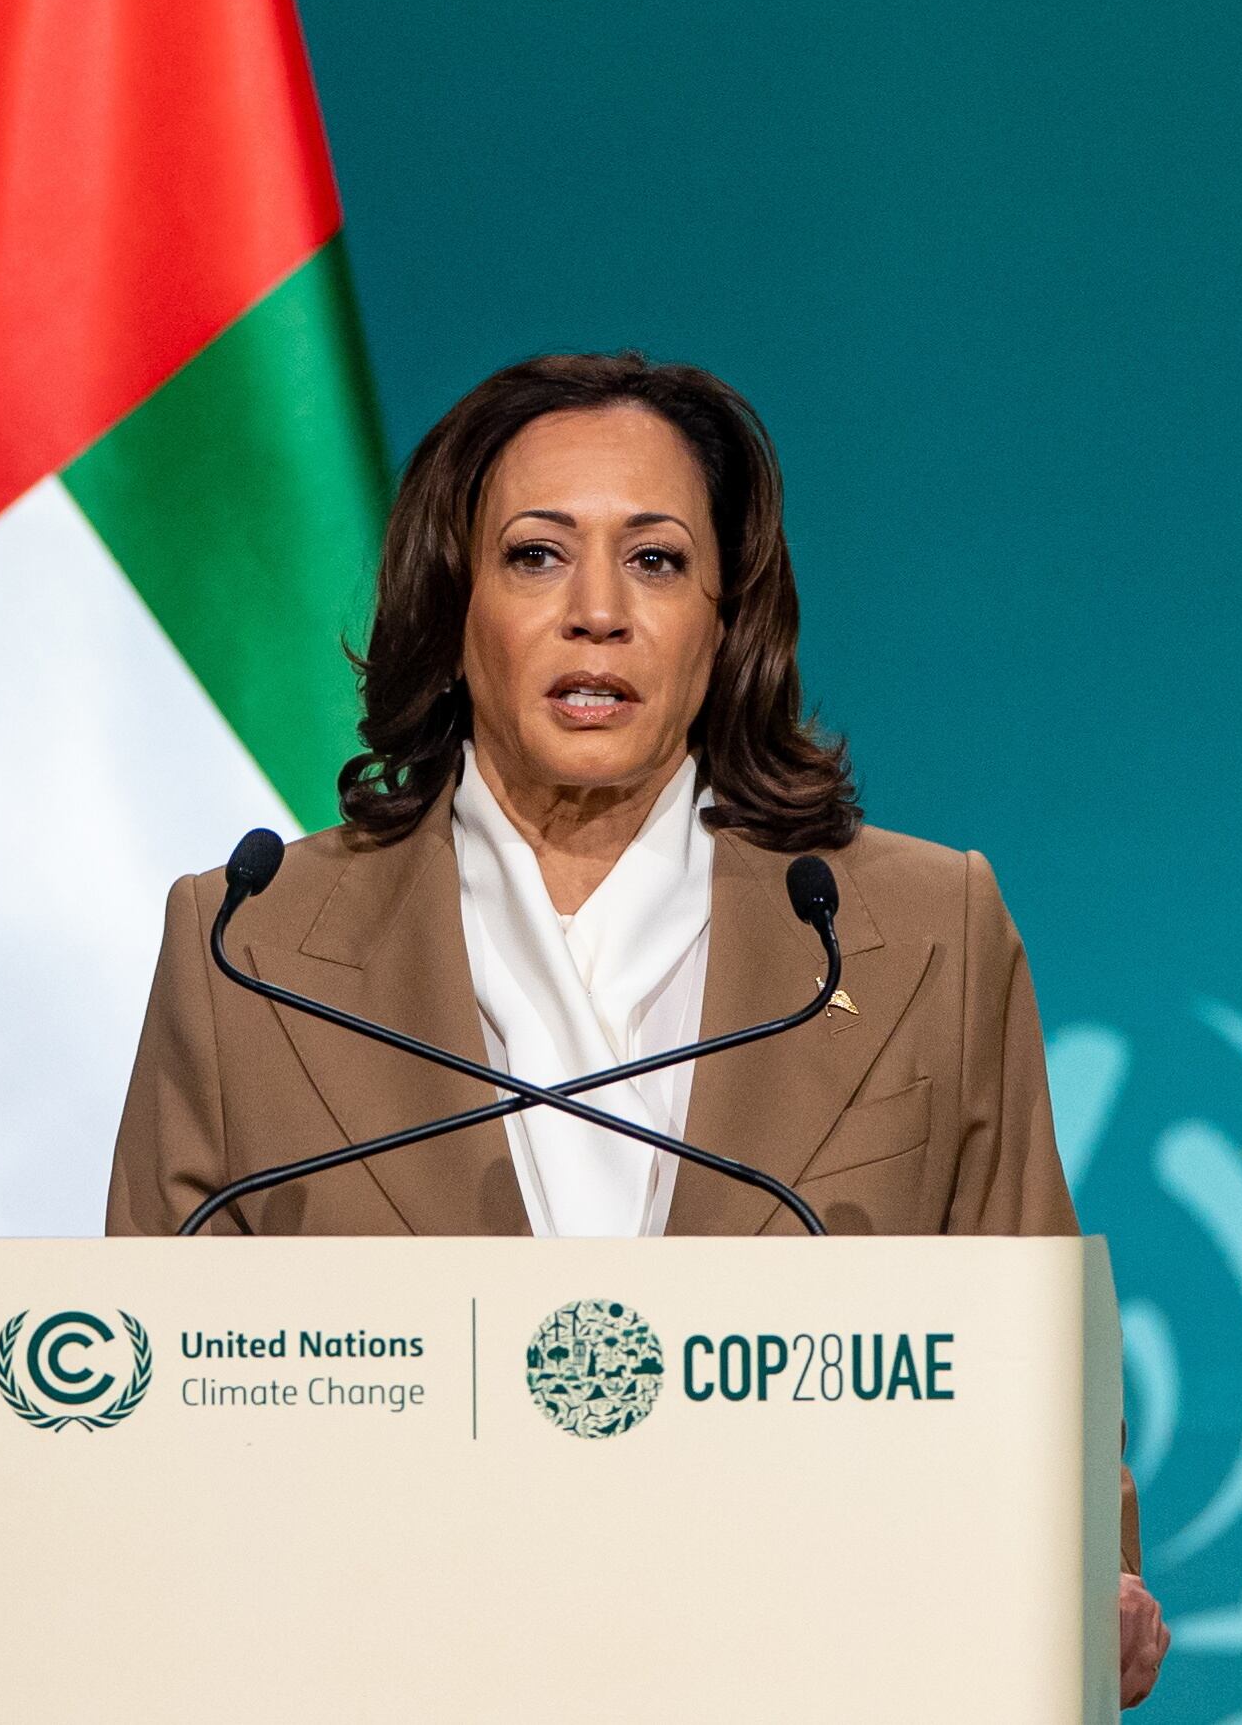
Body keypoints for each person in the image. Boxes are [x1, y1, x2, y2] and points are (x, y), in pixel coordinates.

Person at [104, 351, 1169, 1708]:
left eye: (657, 561)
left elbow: (1033, 1350)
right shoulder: (251, 944)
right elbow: (138, 1396)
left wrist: (1087, 1581)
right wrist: (45, 1584)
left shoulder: (915, 929)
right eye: (536, 556)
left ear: (728, 618)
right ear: (454, 603)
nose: (598, 614)